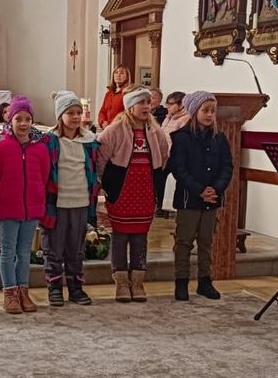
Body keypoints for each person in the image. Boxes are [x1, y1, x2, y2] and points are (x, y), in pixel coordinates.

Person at [97, 87, 169, 302]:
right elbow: (101, 159)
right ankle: (121, 283)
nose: (147, 106)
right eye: (142, 102)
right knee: (120, 237)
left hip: (145, 192)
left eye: (148, 102)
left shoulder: (156, 132)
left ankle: (137, 282)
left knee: (140, 237)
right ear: (130, 106)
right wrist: (102, 186)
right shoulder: (115, 129)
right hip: (122, 192)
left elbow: (163, 156)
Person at [0, 97, 51, 315]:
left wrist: (37, 199)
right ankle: (10, 292)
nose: (23, 123)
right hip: (8, 208)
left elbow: (43, 177)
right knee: (8, 251)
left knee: (24, 252)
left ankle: (23, 291)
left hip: (31, 208)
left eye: (27, 119)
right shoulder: (0, 149)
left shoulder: (40, 149)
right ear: (9, 120)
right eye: (18, 119)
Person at [169, 91, 233, 301]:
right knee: (184, 241)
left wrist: (216, 188)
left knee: (206, 241)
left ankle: (205, 281)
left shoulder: (219, 138)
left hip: (212, 198)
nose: (209, 115)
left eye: (213, 111)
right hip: (190, 198)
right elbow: (179, 169)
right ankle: (181, 282)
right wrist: (199, 190)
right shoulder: (181, 138)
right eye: (205, 110)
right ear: (194, 111)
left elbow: (227, 166)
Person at [41, 91, 99, 307]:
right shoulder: (49, 141)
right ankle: (54, 287)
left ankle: (76, 287)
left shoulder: (89, 141)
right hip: (57, 202)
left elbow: (94, 169)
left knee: (76, 248)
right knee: (53, 248)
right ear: (60, 116)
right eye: (70, 113)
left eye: (78, 112)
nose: (76, 117)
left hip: (81, 201)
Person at [97, 65, 131, 129]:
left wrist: (113, 124)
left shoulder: (128, 93)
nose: (118, 75)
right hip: (107, 129)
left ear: (127, 77)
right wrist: (102, 122)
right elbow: (102, 111)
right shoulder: (108, 94)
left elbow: (128, 114)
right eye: (116, 72)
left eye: (122, 73)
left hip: (120, 128)